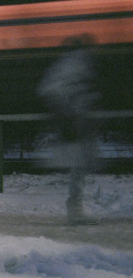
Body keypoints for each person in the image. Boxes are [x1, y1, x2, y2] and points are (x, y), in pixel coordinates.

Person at [37, 35, 99, 225]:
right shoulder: (77, 63)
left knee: (78, 165)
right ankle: (75, 211)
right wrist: (73, 109)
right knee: (79, 165)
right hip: (75, 121)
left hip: (73, 120)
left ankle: (75, 210)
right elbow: (54, 90)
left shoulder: (65, 64)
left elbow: (47, 89)